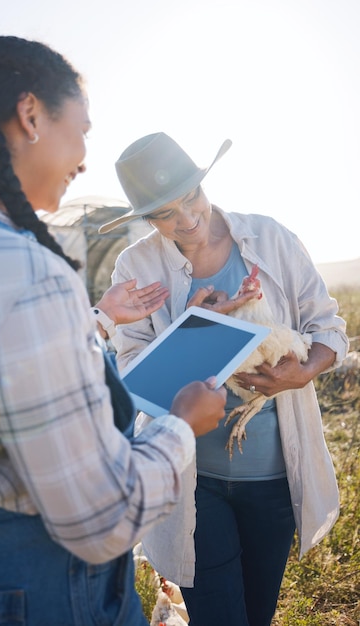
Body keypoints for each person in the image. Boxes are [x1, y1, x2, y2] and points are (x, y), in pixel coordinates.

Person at [0, 38, 228, 626]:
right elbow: (99, 518)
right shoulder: (26, 269)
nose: (84, 156)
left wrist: (98, 320)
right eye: (82, 129)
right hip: (50, 596)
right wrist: (181, 426)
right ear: (31, 115)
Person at [99, 132, 349, 626]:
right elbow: (132, 378)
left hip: (272, 475)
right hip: (195, 480)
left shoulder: (272, 239)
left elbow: (329, 328)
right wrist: (189, 332)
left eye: (192, 197)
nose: (188, 218)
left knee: (256, 615)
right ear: (146, 220)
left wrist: (303, 372)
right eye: (166, 213)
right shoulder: (137, 267)